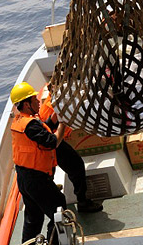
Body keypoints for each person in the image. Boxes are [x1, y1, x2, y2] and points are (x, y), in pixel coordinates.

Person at [10, 81, 67, 245]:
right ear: (27, 104)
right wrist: (64, 123)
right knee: (58, 206)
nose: (38, 101)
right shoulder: (31, 125)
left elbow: (43, 130)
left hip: (24, 177)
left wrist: (56, 116)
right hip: (36, 179)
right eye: (34, 99)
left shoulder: (22, 121)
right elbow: (52, 142)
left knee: (33, 216)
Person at [39, 85, 103, 213]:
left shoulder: (54, 103)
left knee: (50, 169)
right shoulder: (53, 107)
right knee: (76, 166)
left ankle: (52, 189)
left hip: (47, 145)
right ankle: (83, 202)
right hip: (52, 144)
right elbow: (53, 135)